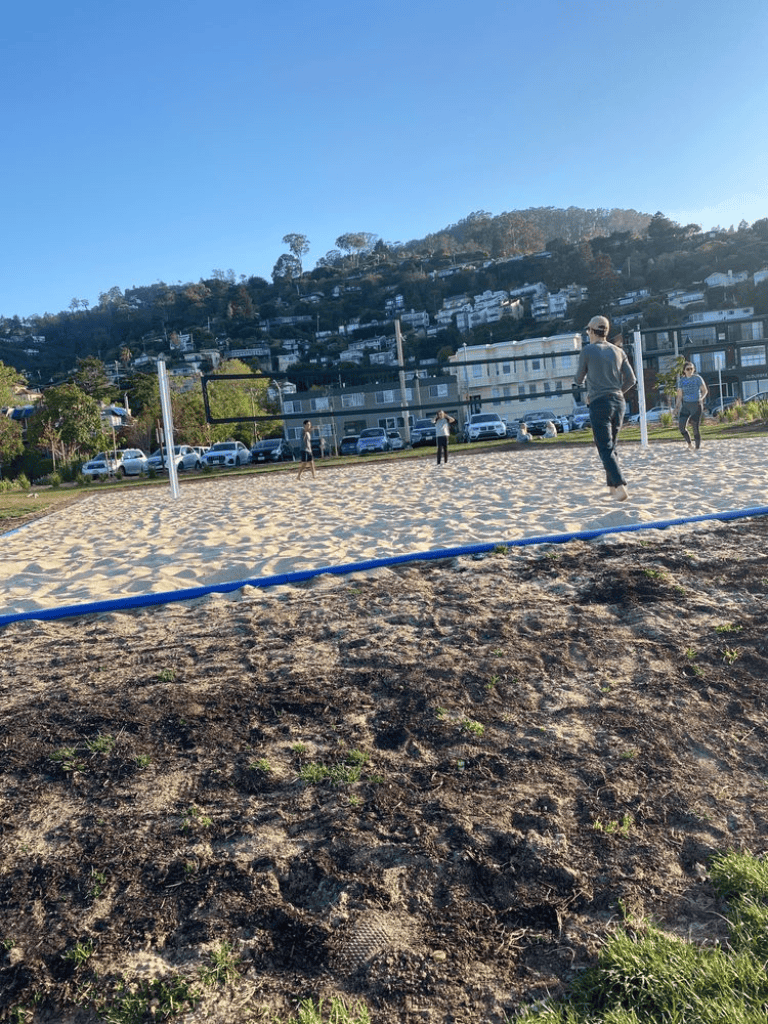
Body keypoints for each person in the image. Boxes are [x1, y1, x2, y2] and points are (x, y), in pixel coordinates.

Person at [573, 314, 637, 502]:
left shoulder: (588, 351)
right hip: (619, 402)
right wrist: (618, 391)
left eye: (588, 330)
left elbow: (578, 379)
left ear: (592, 331)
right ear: (606, 331)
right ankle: (612, 488)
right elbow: (631, 380)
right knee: (611, 446)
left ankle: (620, 486)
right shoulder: (618, 351)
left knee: (605, 448)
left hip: (599, 403)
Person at [675, 362, 708, 450]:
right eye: (688, 369)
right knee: (681, 427)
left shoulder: (697, 378)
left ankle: (697, 448)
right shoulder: (681, 381)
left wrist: (702, 398)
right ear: (684, 370)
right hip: (686, 405)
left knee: (695, 427)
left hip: (696, 405)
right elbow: (679, 396)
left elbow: (705, 391)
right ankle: (689, 444)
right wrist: (677, 407)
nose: (690, 371)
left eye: (692, 369)